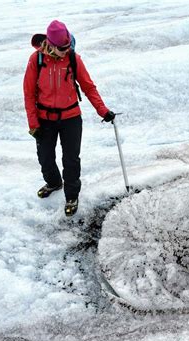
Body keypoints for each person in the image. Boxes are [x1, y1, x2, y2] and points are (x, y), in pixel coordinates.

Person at [23, 20, 115, 217]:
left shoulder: (73, 58)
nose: (67, 50)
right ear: (51, 44)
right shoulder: (36, 60)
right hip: (44, 118)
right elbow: (29, 93)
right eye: (63, 48)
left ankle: (72, 195)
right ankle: (54, 182)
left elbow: (89, 87)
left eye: (68, 46)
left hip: (71, 118)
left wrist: (103, 110)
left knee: (71, 160)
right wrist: (33, 123)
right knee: (45, 158)